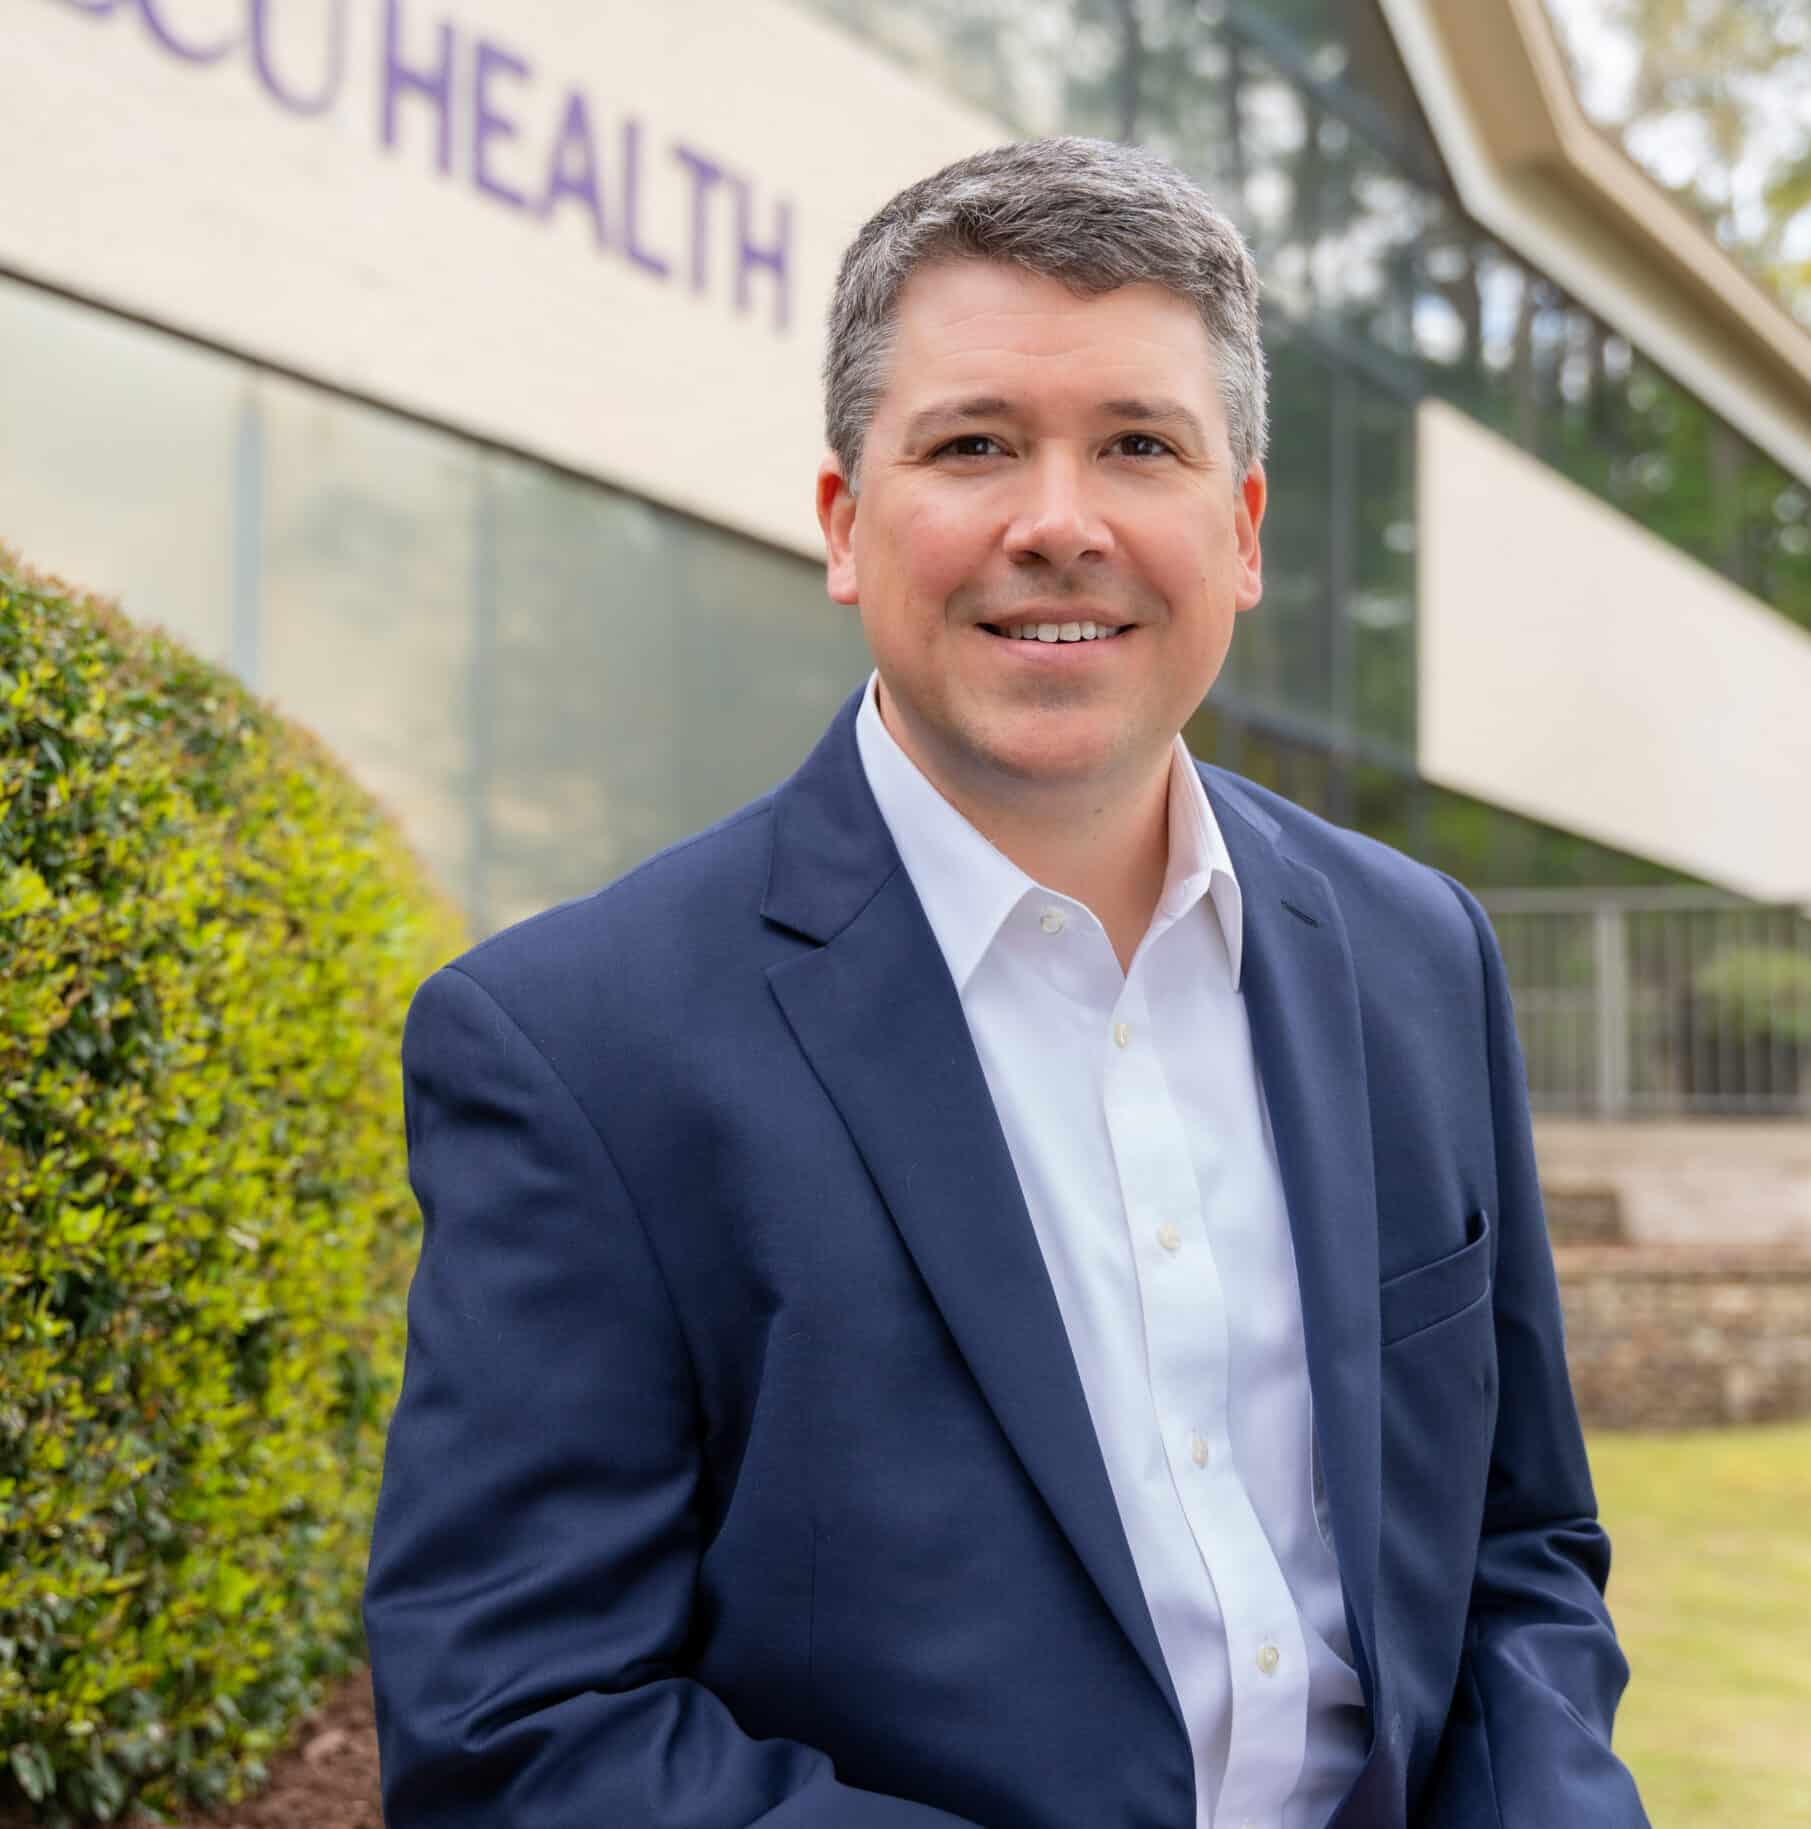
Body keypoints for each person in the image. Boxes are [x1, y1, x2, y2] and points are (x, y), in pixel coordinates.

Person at [363, 135, 1649, 1829]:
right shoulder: (579, 1047)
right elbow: (520, 1723)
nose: (1060, 523)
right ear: (844, 523)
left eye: (1138, 445)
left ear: (1242, 528)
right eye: (974, 446)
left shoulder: (1418, 955)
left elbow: (1517, 1548)